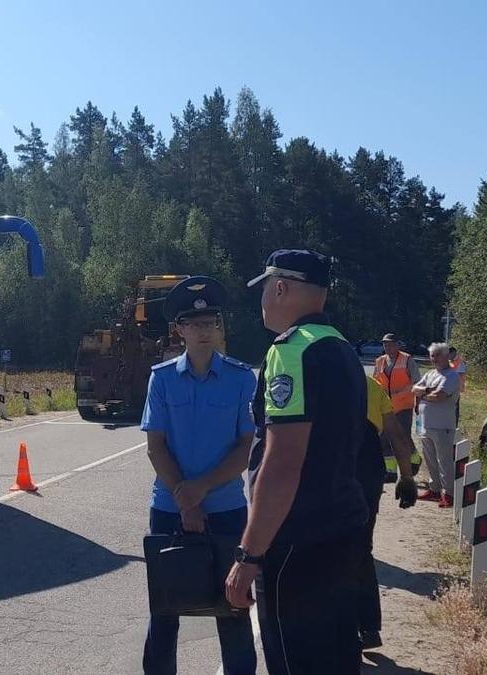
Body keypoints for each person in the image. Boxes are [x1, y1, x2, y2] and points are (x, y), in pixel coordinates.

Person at [226, 249, 367, 674]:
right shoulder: (340, 346)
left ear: (281, 286)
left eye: (265, 289)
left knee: (295, 662)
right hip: (343, 529)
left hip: (298, 542)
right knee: (337, 658)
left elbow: (282, 461)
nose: (263, 300)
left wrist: (248, 557)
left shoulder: (290, 352)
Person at [140, 276, 257, 675]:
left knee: (233, 606)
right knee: (165, 610)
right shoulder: (162, 378)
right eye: (195, 323)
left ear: (220, 327)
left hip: (225, 511)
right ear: (180, 330)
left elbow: (246, 447)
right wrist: (182, 496)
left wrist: (198, 492)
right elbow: (156, 445)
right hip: (169, 510)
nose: (205, 331)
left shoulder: (242, 379)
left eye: (212, 322)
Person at [358, 376, 418, 650]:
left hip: (335, 468)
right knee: (361, 550)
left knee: (330, 550)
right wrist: (406, 477)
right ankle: (369, 627)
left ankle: (341, 629)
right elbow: (395, 434)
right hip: (368, 468)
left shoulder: (313, 378)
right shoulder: (370, 384)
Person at [411, 343, 460, 507]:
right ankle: (434, 490)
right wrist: (427, 391)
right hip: (426, 424)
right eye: (432, 355)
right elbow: (414, 388)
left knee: (444, 461)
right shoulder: (431, 374)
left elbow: (440, 396)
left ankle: (449, 494)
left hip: (442, 426)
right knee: (430, 460)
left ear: (446, 356)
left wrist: (424, 393)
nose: (434, 359)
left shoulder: (452, 376)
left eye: (437, 355)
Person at [373, 333, 420, 458]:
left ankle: (414, 460)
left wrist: (418, 403)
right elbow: (375, 383)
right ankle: (390, 469)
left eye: (391, 345)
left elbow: (417, 383)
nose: (388, 348)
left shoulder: (407, 359)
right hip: (385, 407)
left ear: (397, 345)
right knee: (383, 437)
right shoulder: (379, 361)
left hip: (404, 406)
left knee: (403, 436)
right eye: (386, 345)